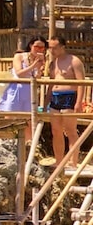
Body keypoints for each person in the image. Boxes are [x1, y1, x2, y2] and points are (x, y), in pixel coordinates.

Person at [46, 38, 86, 167]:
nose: (52, 50)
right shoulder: (53, 63)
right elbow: (51, 84)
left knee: (70, 130)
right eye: (50, 47)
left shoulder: (74, 61)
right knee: (56, 130)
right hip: (55, 97)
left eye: (54, 47)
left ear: (62, 47)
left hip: (69, 97)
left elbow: (81, 83)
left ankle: (73, 162)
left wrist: (79, 102)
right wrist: (46, 101)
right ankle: (59, 161)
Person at [0, 38, 47, 112]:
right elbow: (19, 74)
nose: (39, 49)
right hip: (17, 90)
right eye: (36, 47)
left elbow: (37, 78)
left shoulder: (40, 60)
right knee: (10, 117)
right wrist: (33, 65)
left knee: (30, 119)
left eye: (41, 48)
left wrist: (39, 68)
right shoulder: (19, 56)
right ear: (31, 45)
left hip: (30, 92)